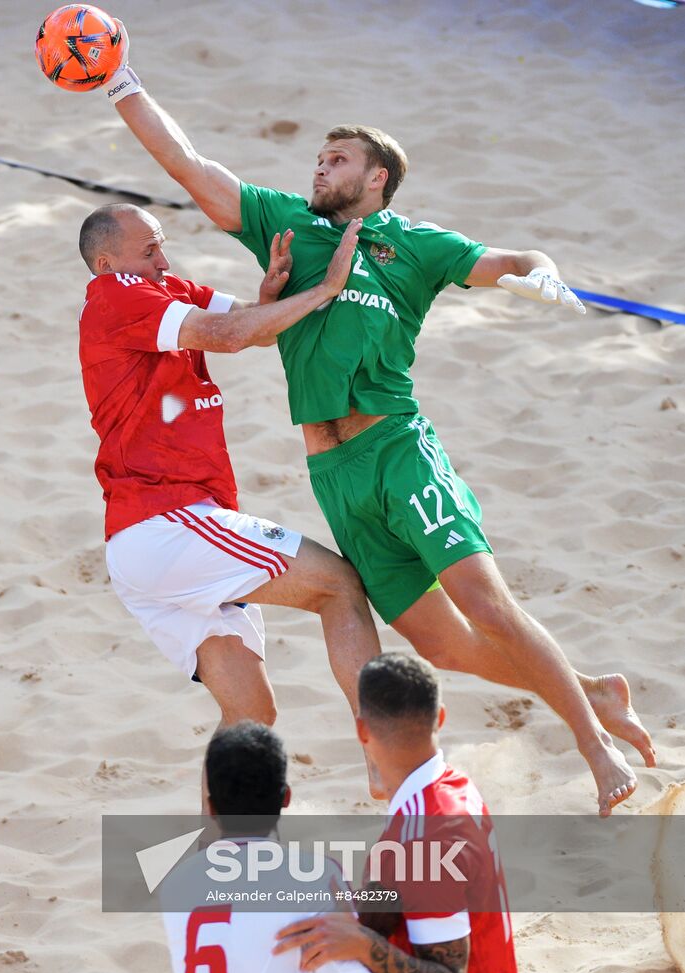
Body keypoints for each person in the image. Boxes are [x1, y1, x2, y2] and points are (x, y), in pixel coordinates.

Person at [96, 48, 656, 816]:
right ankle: (595, 689)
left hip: (395, 449)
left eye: (336, 160)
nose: (318, 169)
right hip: (333, 476)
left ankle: (592, 739)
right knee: (440, 646)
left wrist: (536, 269)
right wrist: (123, 83)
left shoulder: (414, 245)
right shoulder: (285, 226)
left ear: (375, 179)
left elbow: (504, 258)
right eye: (318, 157)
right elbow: (188, 164)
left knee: (486, 608)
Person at [78, 203, 383, 758]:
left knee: (250, 715)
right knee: (339, 586)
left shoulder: (161, 289)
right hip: (168, 522)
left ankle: (219, 847)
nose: (163, 259)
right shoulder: (115, 295)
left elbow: (251, 325)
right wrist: (326, 288)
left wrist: (270, 297)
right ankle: (386, 753)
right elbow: (232, 335)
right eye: (149, 250)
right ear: (107, 261)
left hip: (151, 542)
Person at [274, 652, 521, 973]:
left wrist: (364, 946)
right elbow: (410, 891)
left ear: (362, 730)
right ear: (441, 717)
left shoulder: (426, 839)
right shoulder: (454, 785)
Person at [160, 721, 379, 973]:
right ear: (285, 797)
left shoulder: (176, 884)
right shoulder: (316, 875)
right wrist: (371, 938)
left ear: (211, 807)